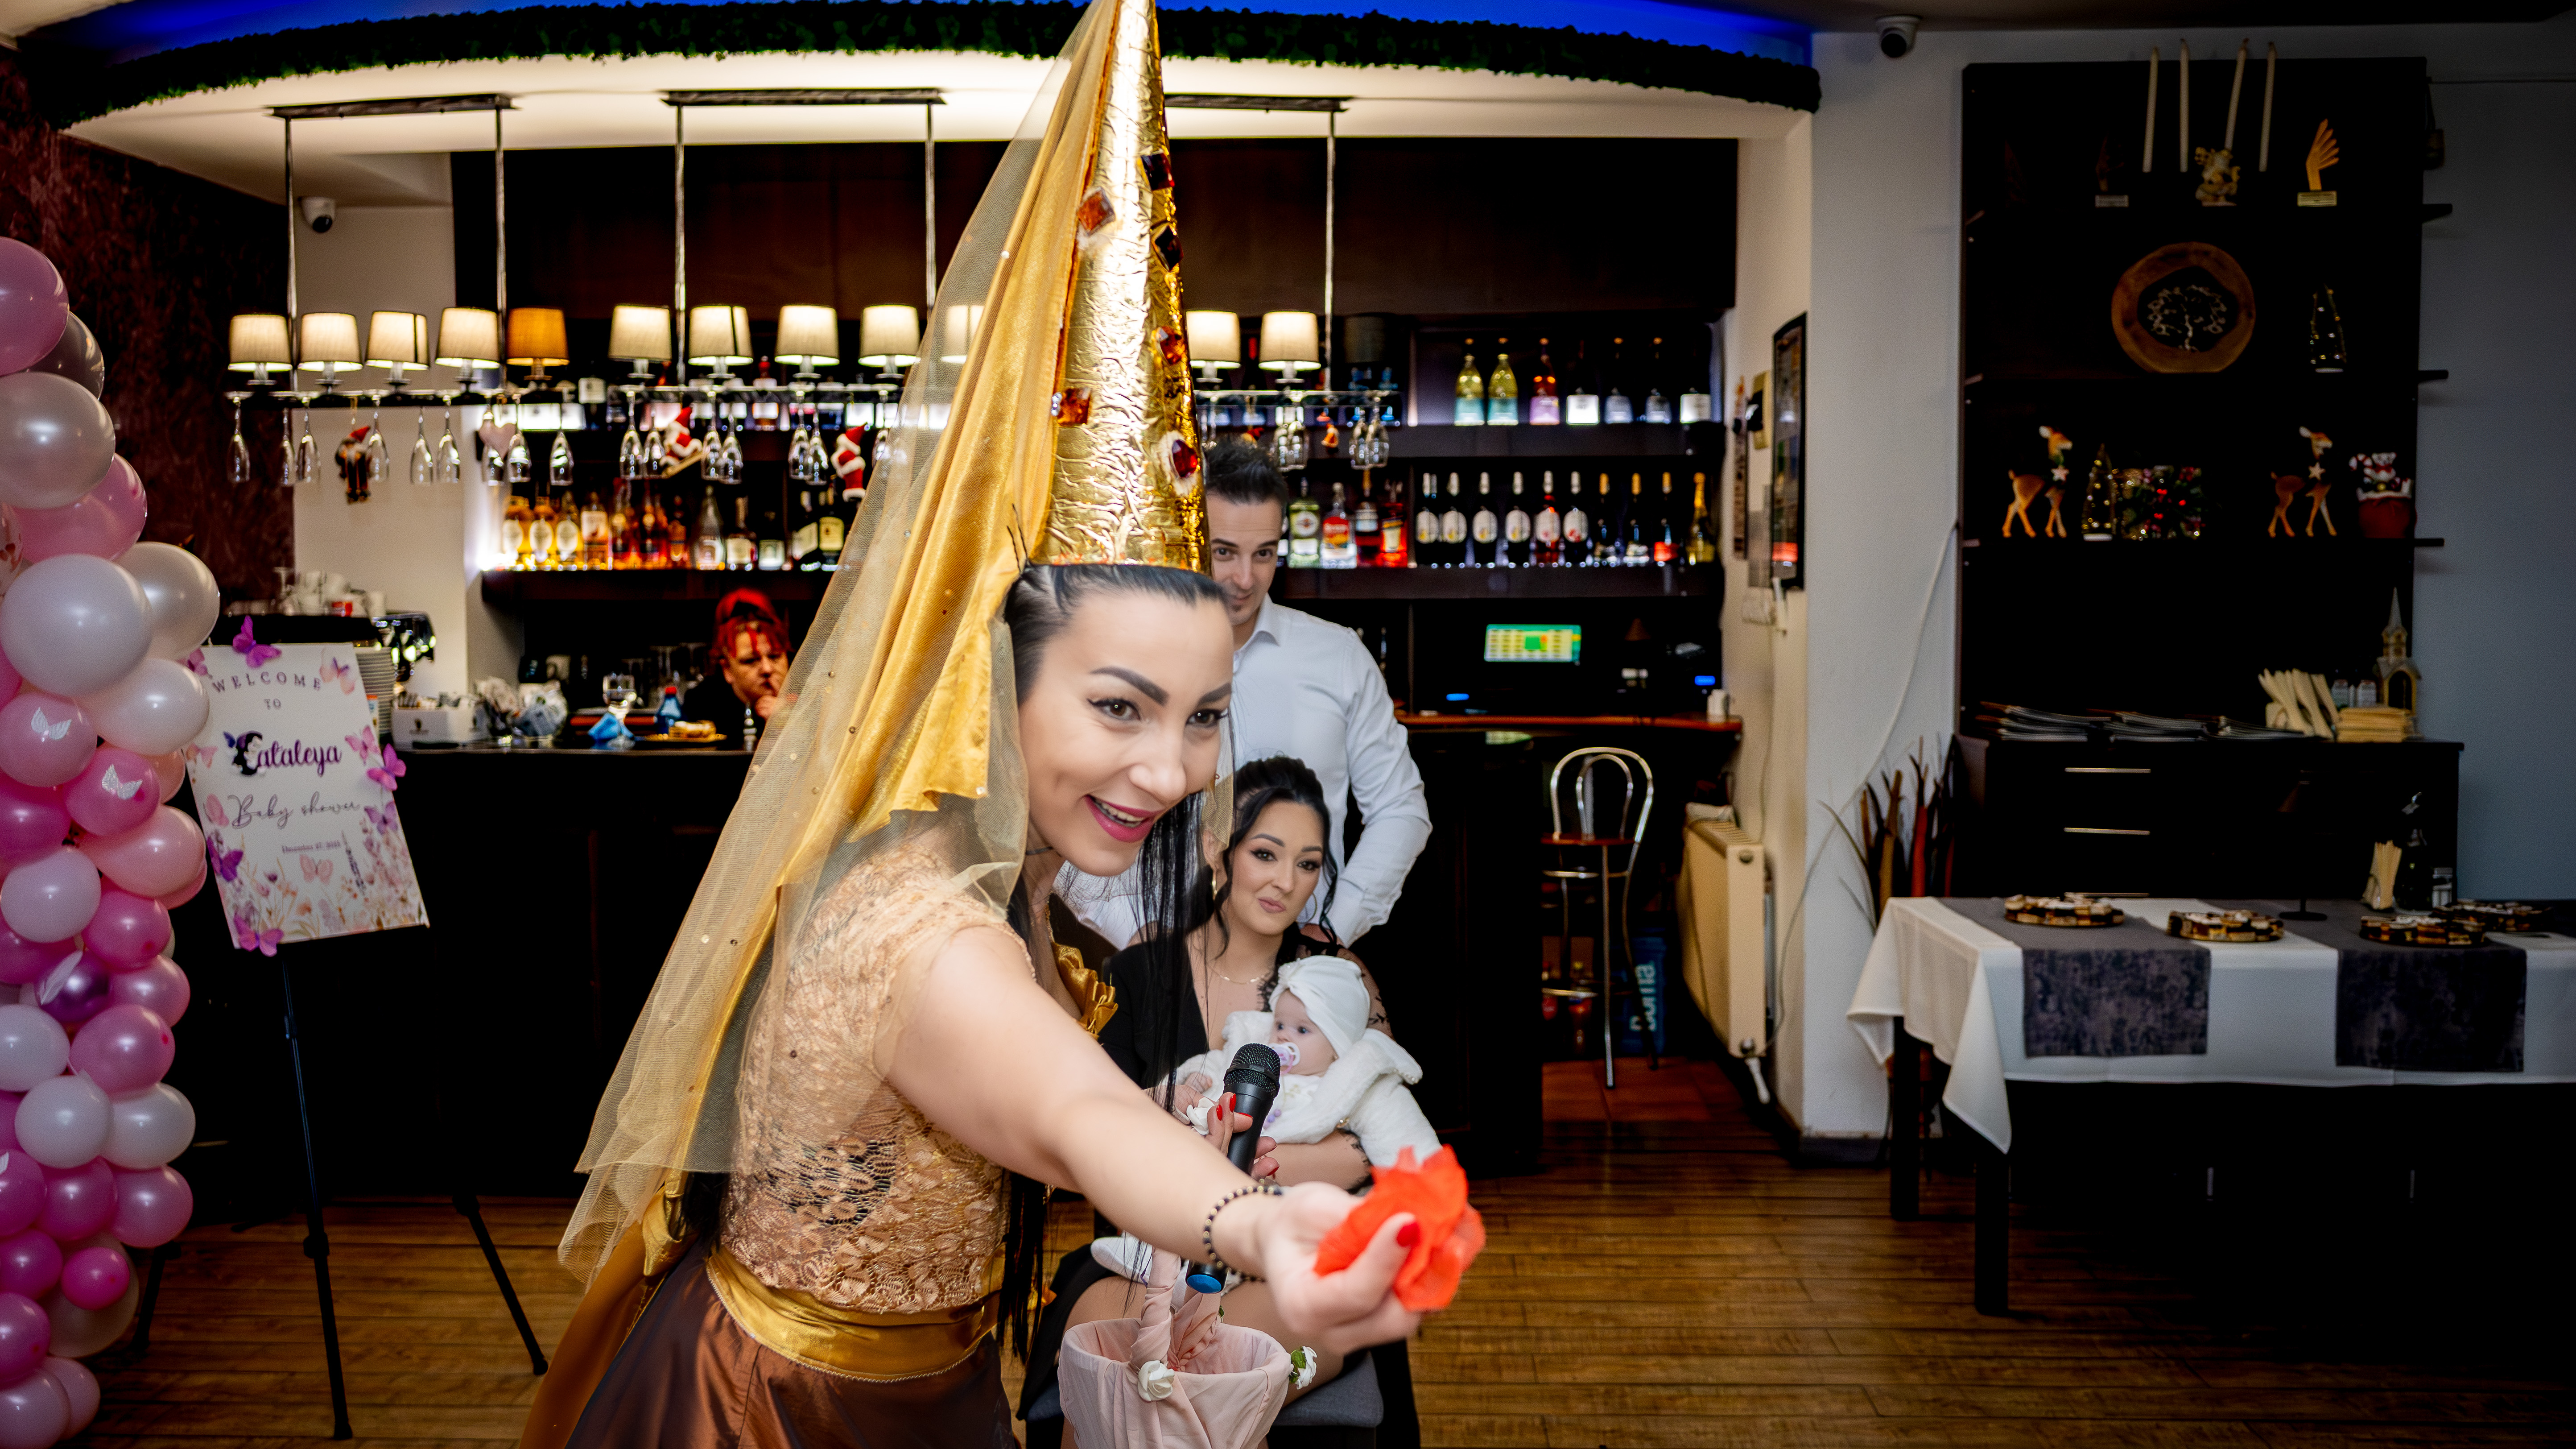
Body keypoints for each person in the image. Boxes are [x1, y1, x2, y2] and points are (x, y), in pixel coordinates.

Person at [516, 4, 1447, 1444]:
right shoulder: (911, 923)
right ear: (993, 686)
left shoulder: (1001, 867)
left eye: (1203, 717)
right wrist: (1258, 1227)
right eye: (1117, 706)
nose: (1171, 768)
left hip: (931, 1385)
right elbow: (1074, 1114)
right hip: (784, 1409)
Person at [1021, 756, 1404, 1437]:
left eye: (1309, 864)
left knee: (1200, 1389)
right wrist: (1228, 1162)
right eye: (1266, 854)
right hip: (1141, 1254)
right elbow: (1101, 1140)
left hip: (1291, 1261)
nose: (1287, 882)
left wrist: (1211, 1158)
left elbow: (1376, 1147)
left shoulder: (1336, 978)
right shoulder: (1140, 971)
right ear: (1214, 850)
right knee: (1111, 1389)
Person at [1061, 441, 1430, 947]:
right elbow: (1059, 803)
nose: (1244, 579)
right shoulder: (1127, 659)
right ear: (1192, 540)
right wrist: (1138, 932)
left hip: (1298, 958)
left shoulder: (1338, 656)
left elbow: (1400, 807)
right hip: (1161, 958)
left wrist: (1333, 927)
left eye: (1264, 554)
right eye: (1224, 552)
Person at [679, 588, 789, 745]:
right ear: (728, 670)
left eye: (775, 657)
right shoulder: (702, 703)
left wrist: (787, 724)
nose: (767, 669)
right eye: (751, 661)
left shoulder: (810, 700)